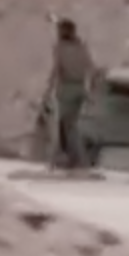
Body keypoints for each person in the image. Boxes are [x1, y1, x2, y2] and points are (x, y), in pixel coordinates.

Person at [48, 18, 95, 170]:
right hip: (80, 88)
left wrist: (49, 89)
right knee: (71, 125)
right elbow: (91, 69)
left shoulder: (60, 48)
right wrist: (89, 91)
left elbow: (56, 70)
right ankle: (72, 159)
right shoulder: (82, 47)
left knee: (67, 126)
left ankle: (78, 160)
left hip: (66, 88)